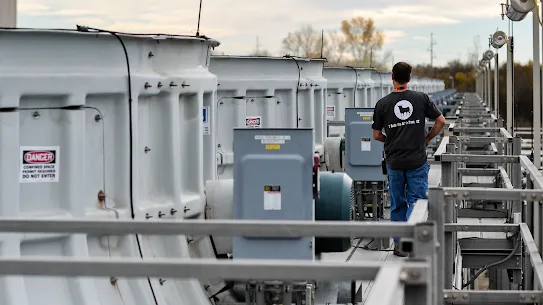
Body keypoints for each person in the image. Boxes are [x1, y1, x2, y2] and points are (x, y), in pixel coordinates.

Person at [371, 62, 446, 257]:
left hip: (394, 162)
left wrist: (392, 140)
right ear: (410, 78)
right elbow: (441, 121)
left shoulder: (383, 103)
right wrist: (427, 138)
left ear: (392, 76)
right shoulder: (421, 99)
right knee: (417, 201)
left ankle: (400, 245)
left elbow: (376, 135)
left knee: (397, 204)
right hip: (417, 161)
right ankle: (416, 244)